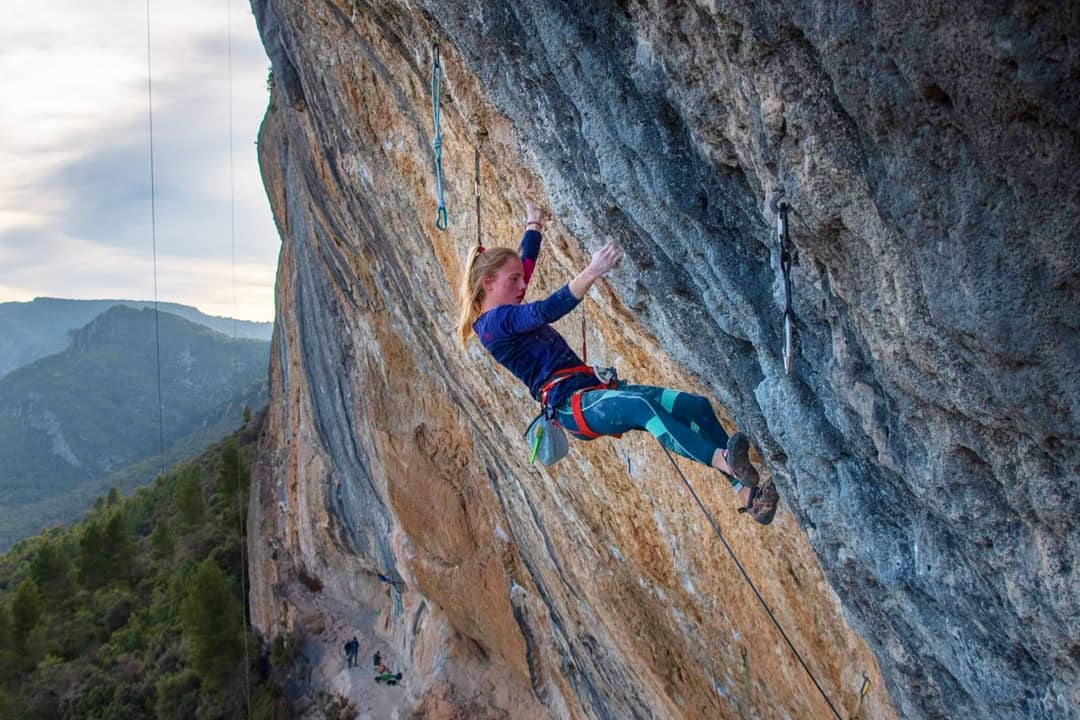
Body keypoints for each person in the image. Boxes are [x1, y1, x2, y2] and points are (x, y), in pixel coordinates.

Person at [457, 201, 778, 524]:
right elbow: (545, 310)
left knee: (696, 407)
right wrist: (592, 271)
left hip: (591, 392)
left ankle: (747, 495)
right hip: (572, 407)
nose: (522, 285)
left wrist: (533, 224)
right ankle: (724, 461)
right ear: (488, 284)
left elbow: (524, 263)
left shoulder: (504, 305)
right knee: (640, 405)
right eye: (514, 281)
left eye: (520, 280)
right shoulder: (494, 323)